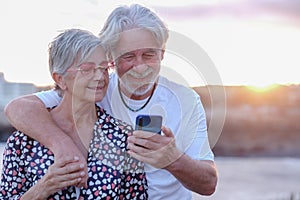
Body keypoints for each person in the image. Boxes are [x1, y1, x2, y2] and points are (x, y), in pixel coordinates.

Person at [4, 4, 217, 200]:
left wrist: (172, 159)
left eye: (149, 55)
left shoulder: (185, 101)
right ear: (112, 59)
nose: (140, 67)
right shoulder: (93, 88)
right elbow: (18, 108)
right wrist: (64, 146)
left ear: (162, 54)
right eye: (129, 57)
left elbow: (209, 184)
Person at [0, 29, 148, 199]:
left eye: (104, 68)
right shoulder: (22, 142)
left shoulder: (124, 139)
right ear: (60, 79)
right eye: (87, 69)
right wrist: (45, 186)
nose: (100, 76)